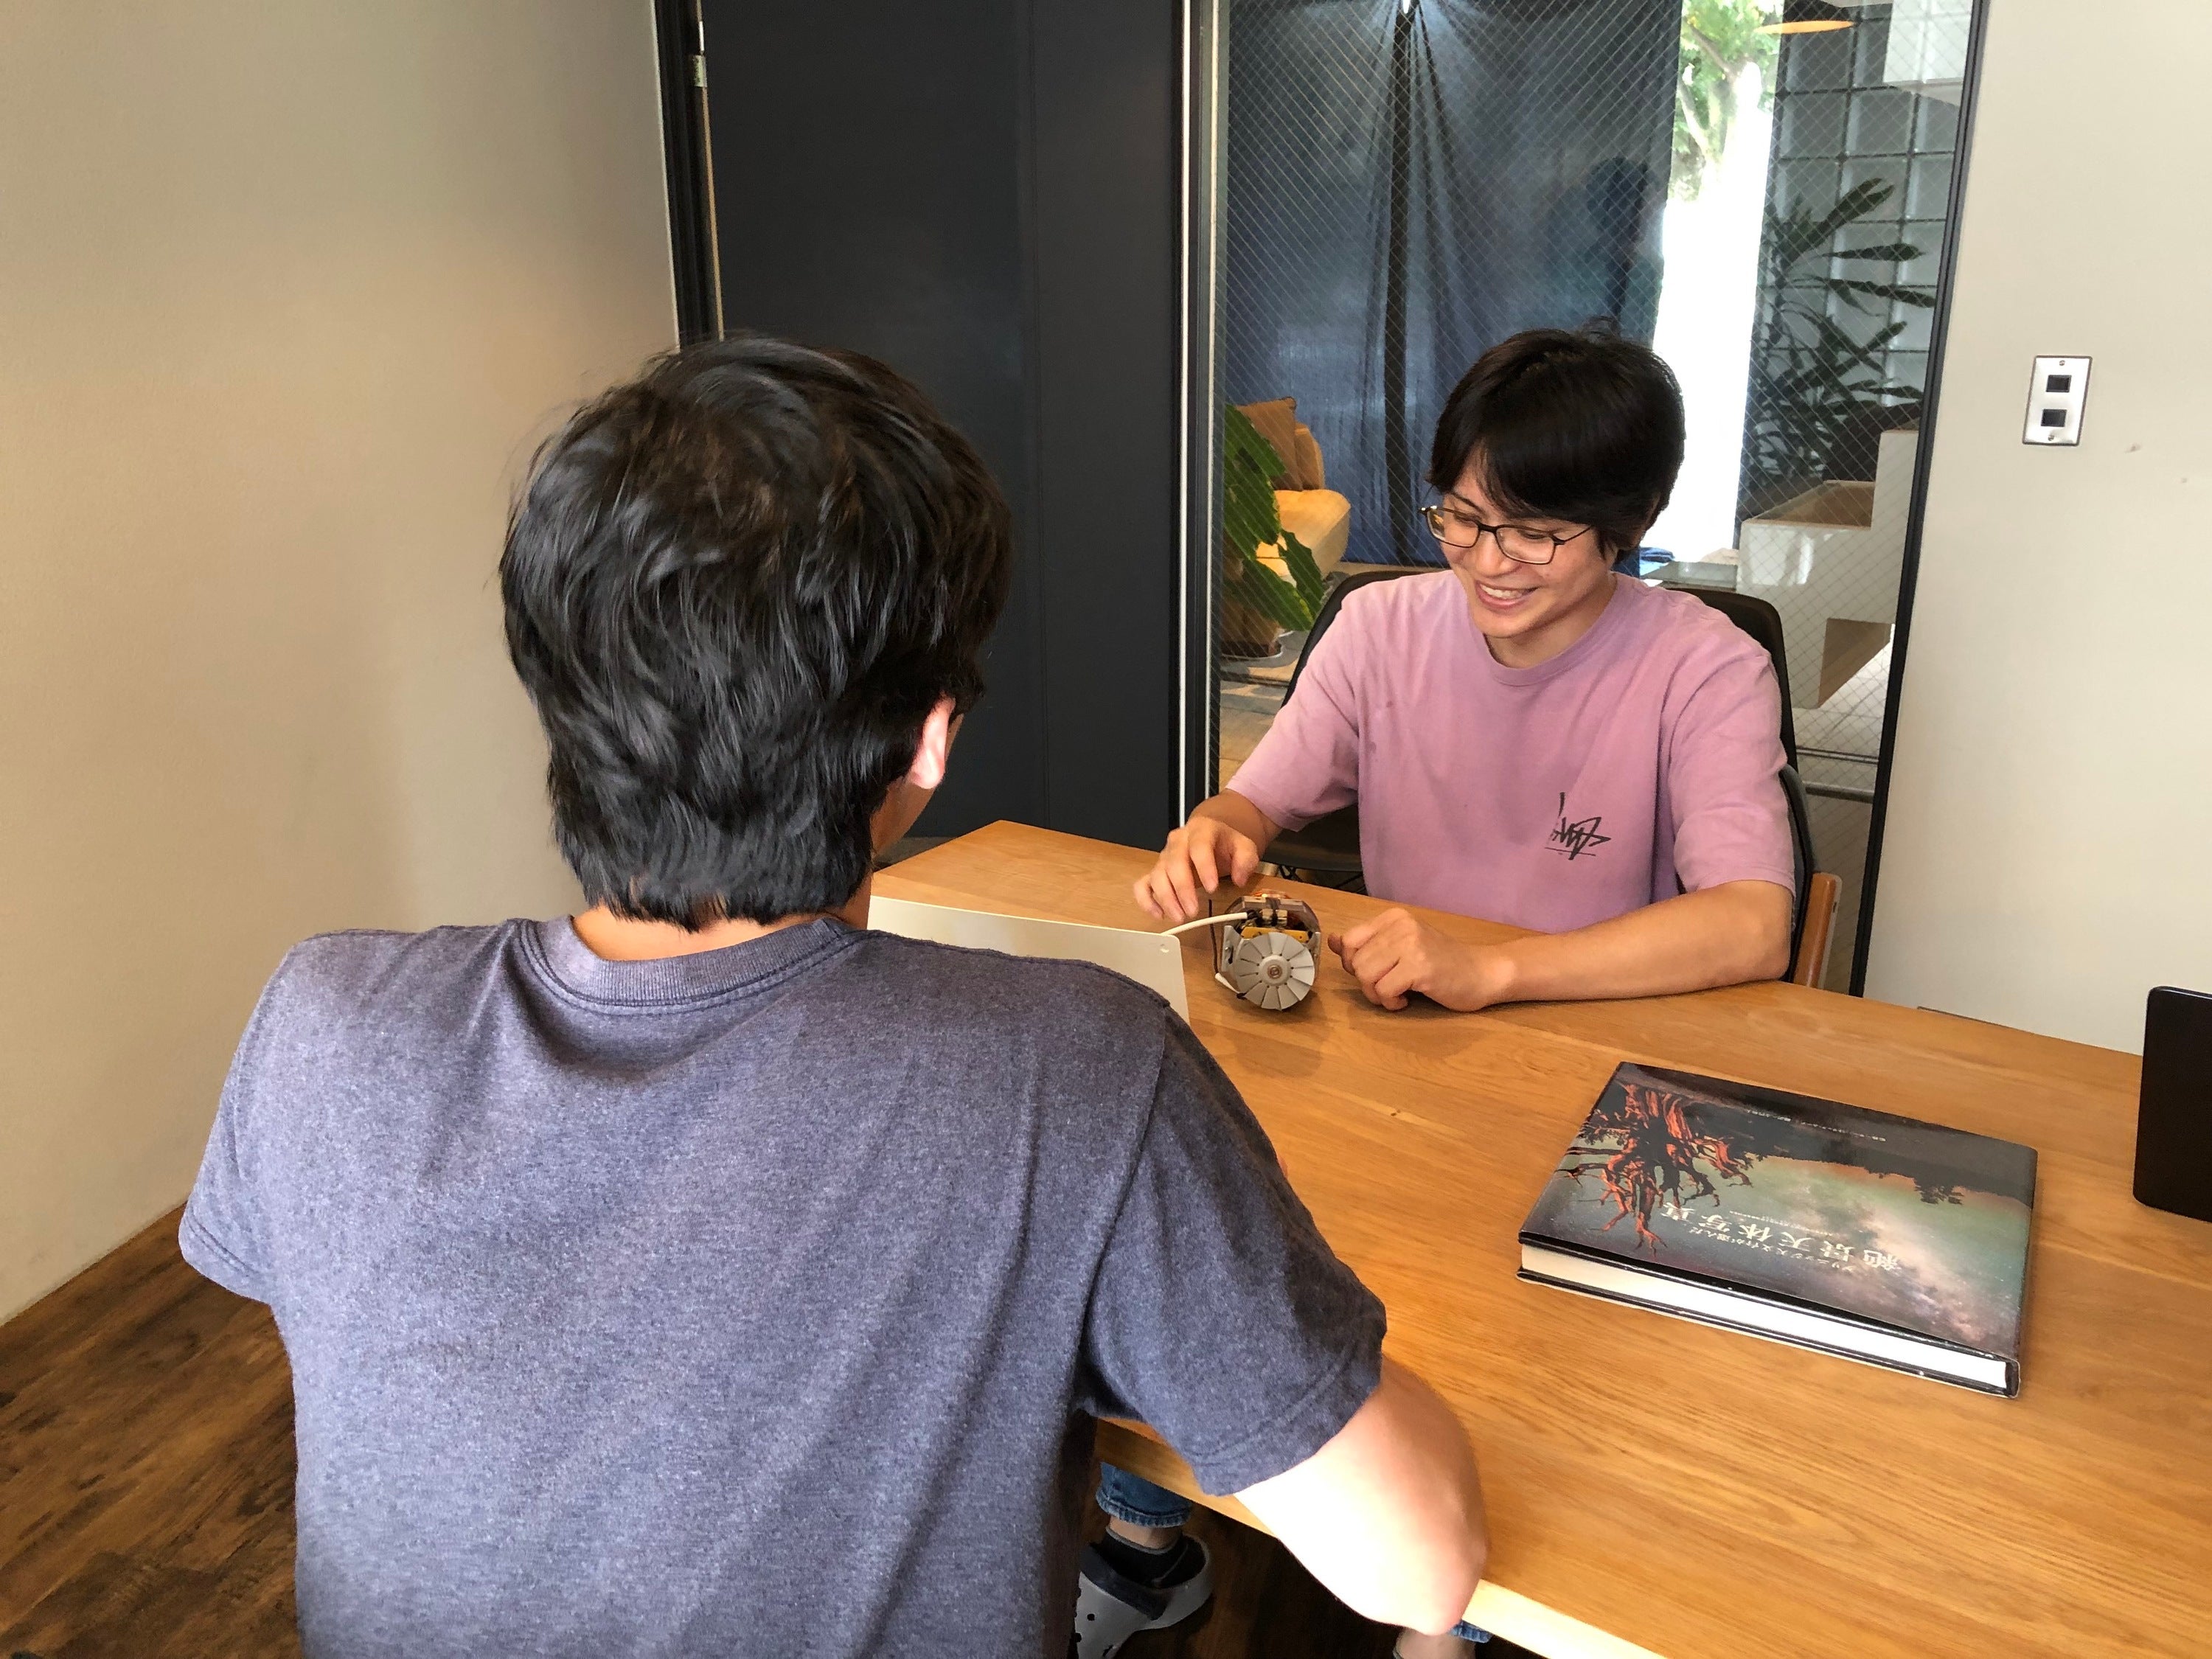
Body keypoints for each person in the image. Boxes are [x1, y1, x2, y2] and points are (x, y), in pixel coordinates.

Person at [177, 337, 1486, 1659]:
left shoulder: (322, 1021)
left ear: (559, 687)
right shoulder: (1076, 1072)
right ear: (930, 738)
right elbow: (1422, 1563)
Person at [1126, 326, 1794, 1658]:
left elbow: (1754, 921)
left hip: (1590, 1095)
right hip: (1393, 1074)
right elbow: (1263, 795)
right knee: (1213, 1249)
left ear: (1628, 523)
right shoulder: (1381, 627)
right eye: (1464, 517)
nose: (1490, 561)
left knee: (1522, 1368)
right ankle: (1150, 1538)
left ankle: (1453, 1613)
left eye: (1536, 532)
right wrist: (1216, 829)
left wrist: (1493, 970)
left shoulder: (1706, 664)